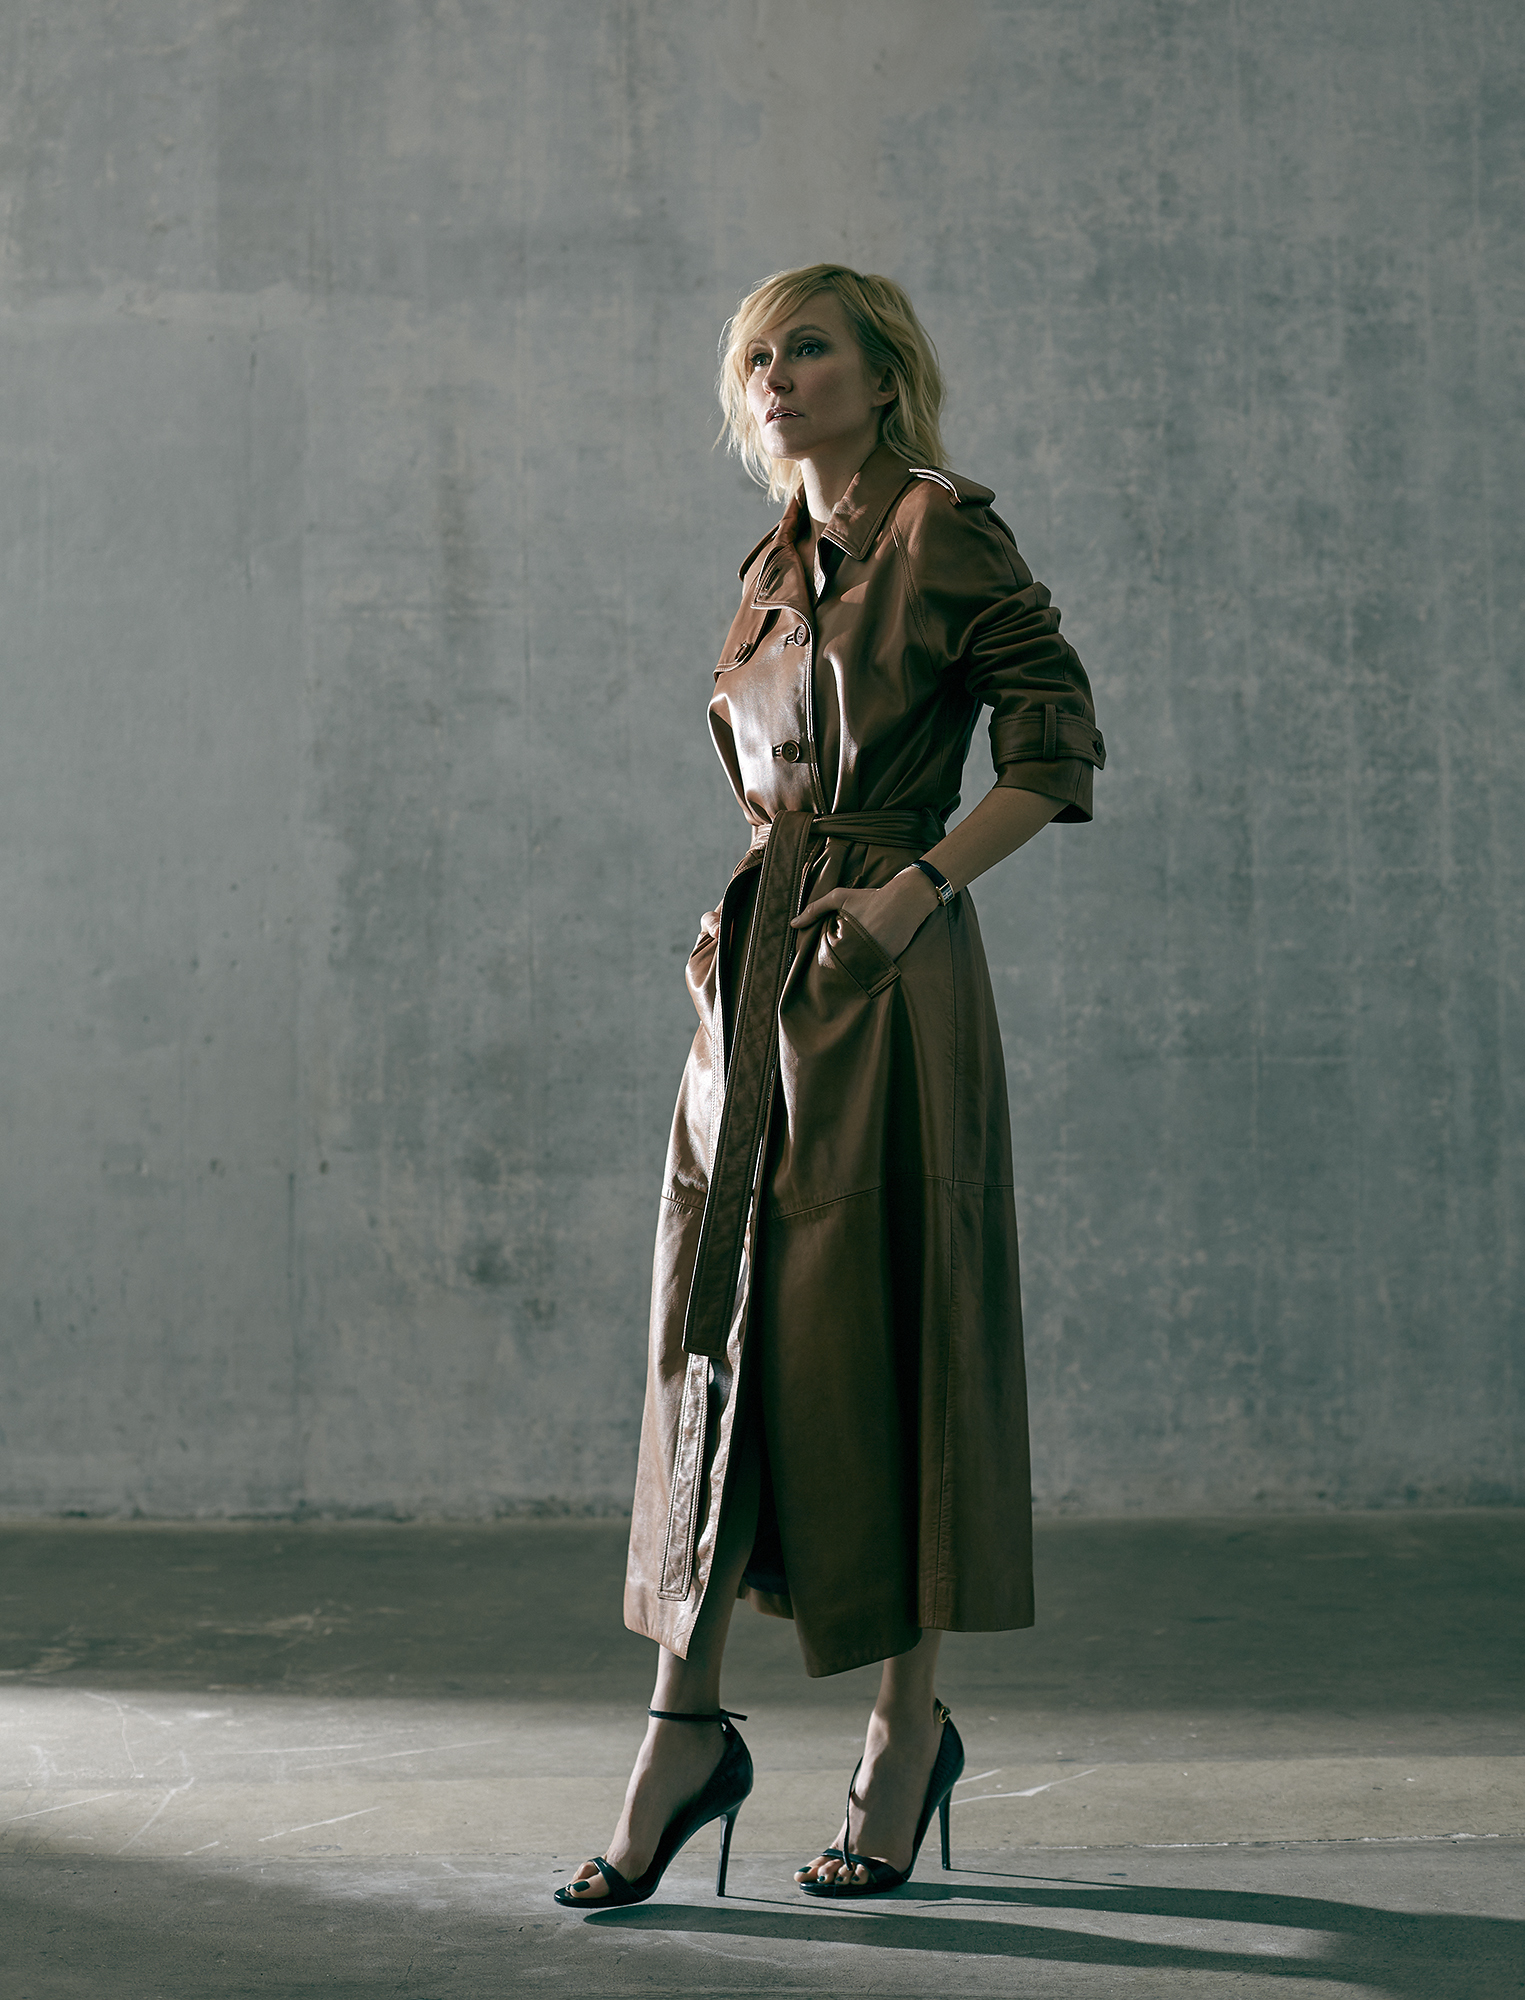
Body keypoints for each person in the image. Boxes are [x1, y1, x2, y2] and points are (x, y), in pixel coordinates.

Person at [556, 263, 1104, 1908]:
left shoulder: (942, 531)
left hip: (883, 985)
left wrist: (915, 891)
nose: (775, 375)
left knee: (887, 1325)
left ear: (881, 375)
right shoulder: (769, 563)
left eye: (807, 348)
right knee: (708, 1329)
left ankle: (901, 1733)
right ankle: (680, 1729)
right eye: (755, 355)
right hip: (752, 984)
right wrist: (735, 927)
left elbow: (1051, 749)